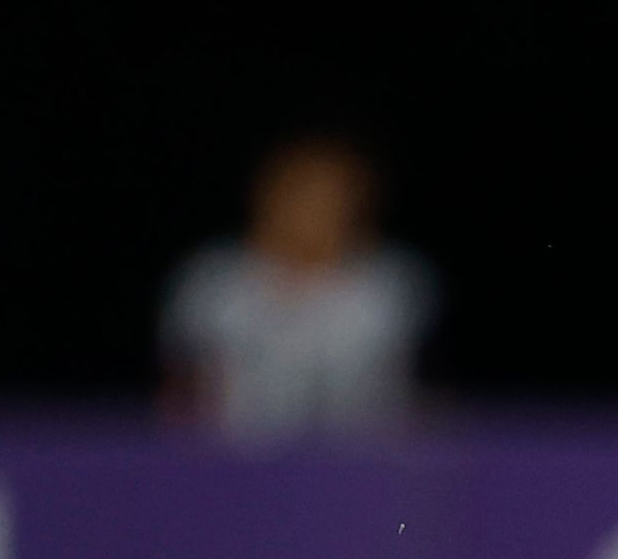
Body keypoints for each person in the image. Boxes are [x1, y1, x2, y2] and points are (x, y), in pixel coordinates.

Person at [158, 134, 431, 441]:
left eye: (333, 196)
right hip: (234, 464)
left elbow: (403, 393)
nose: (316, 209)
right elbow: (180, 396)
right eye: (303, 193)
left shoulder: (390, 284)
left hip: (357, 463)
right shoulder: (212, 280)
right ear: (267, 195)